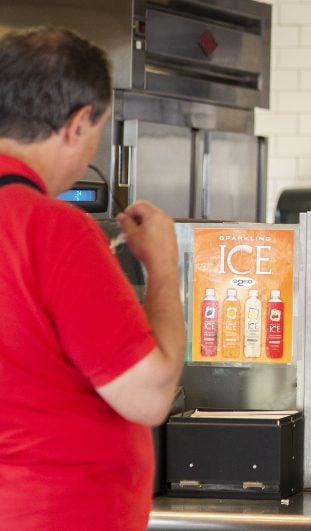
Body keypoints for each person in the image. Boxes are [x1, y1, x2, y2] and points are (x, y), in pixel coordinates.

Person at [0, 27, 185, 530]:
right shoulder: (51, 227)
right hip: (52, 514)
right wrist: (163, 267)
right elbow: (148, 395)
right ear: (77, 123)